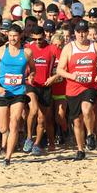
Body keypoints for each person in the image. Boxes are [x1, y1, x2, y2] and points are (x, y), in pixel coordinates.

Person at [56, 20, 97, 160]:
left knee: (86, 110)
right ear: (75, 33)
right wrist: (72, 75)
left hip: (90, 86)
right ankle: (80, 150)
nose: (81, 35)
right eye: (79, 32)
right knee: (77, 121)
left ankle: (90, 134)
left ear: (87, 32)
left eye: (84, 32)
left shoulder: (95, 47)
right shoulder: (69, 48)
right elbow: (59, 70)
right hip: (73, 88)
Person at [0, 24, 35, 165]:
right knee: (3, 128)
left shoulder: (27, 52)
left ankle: (8, 157)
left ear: (20, 35)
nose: (13, 38)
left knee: (14, 122)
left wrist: (31, 75)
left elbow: (33, 68)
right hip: (3, 92)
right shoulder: (1, 51)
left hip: (18, 92)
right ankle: (8, 142)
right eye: (10, 36)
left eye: (15, 35)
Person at [25, 26, 57, 154]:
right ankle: (28, 138)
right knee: (33, 110)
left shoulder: (52, 48)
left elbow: (63, 64)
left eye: (40, 39)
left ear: (44, 36)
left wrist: (54, 77)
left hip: (45, 86)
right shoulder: (28, 49)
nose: (38, 41)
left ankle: (37, 144)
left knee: (42, 118)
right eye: (35, 39)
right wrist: (28, 75)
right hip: (31, 85)